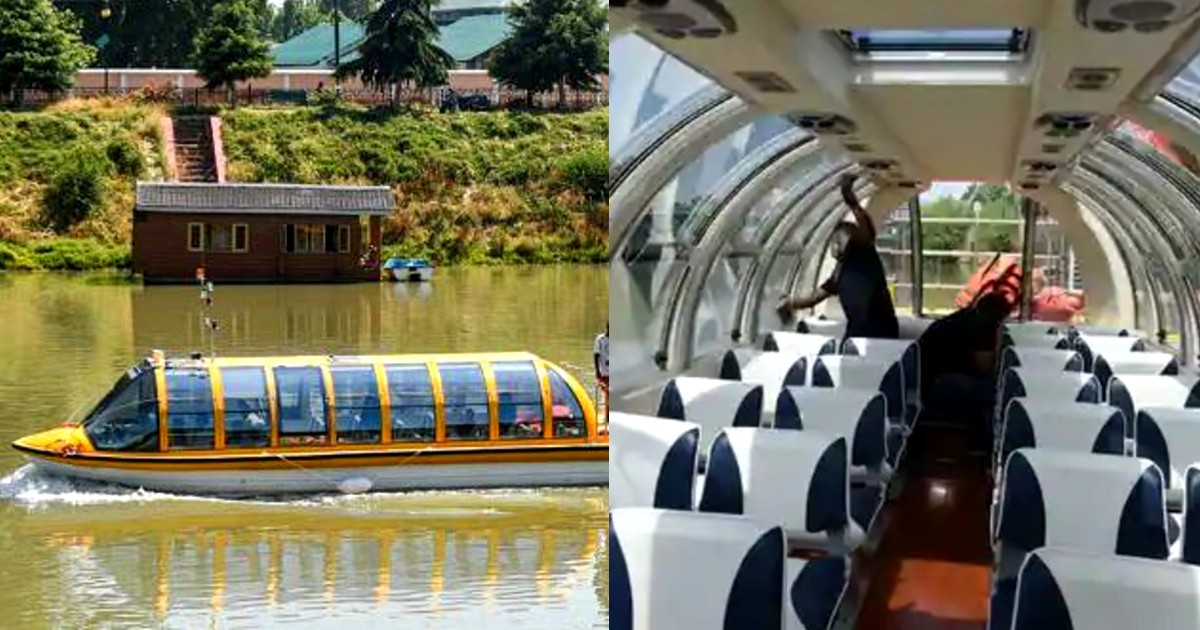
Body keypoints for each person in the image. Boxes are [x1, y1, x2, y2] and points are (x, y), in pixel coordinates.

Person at [776, 173, 899, 340]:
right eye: (838, 235)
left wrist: (851, 201)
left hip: (881, 335)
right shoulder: (838, 274)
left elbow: (867, 230)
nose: (838, 240)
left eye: (847, 232)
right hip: (856, 337)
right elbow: (813, 299)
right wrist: (789, 304)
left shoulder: (863, 254)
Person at [917, 292, 1013, 454]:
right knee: (992, 392)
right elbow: (983, 366)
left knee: (987, 389)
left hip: (924, 379)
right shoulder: (979, 328)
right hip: (935, 383)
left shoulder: (961, 319)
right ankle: (990, 446)